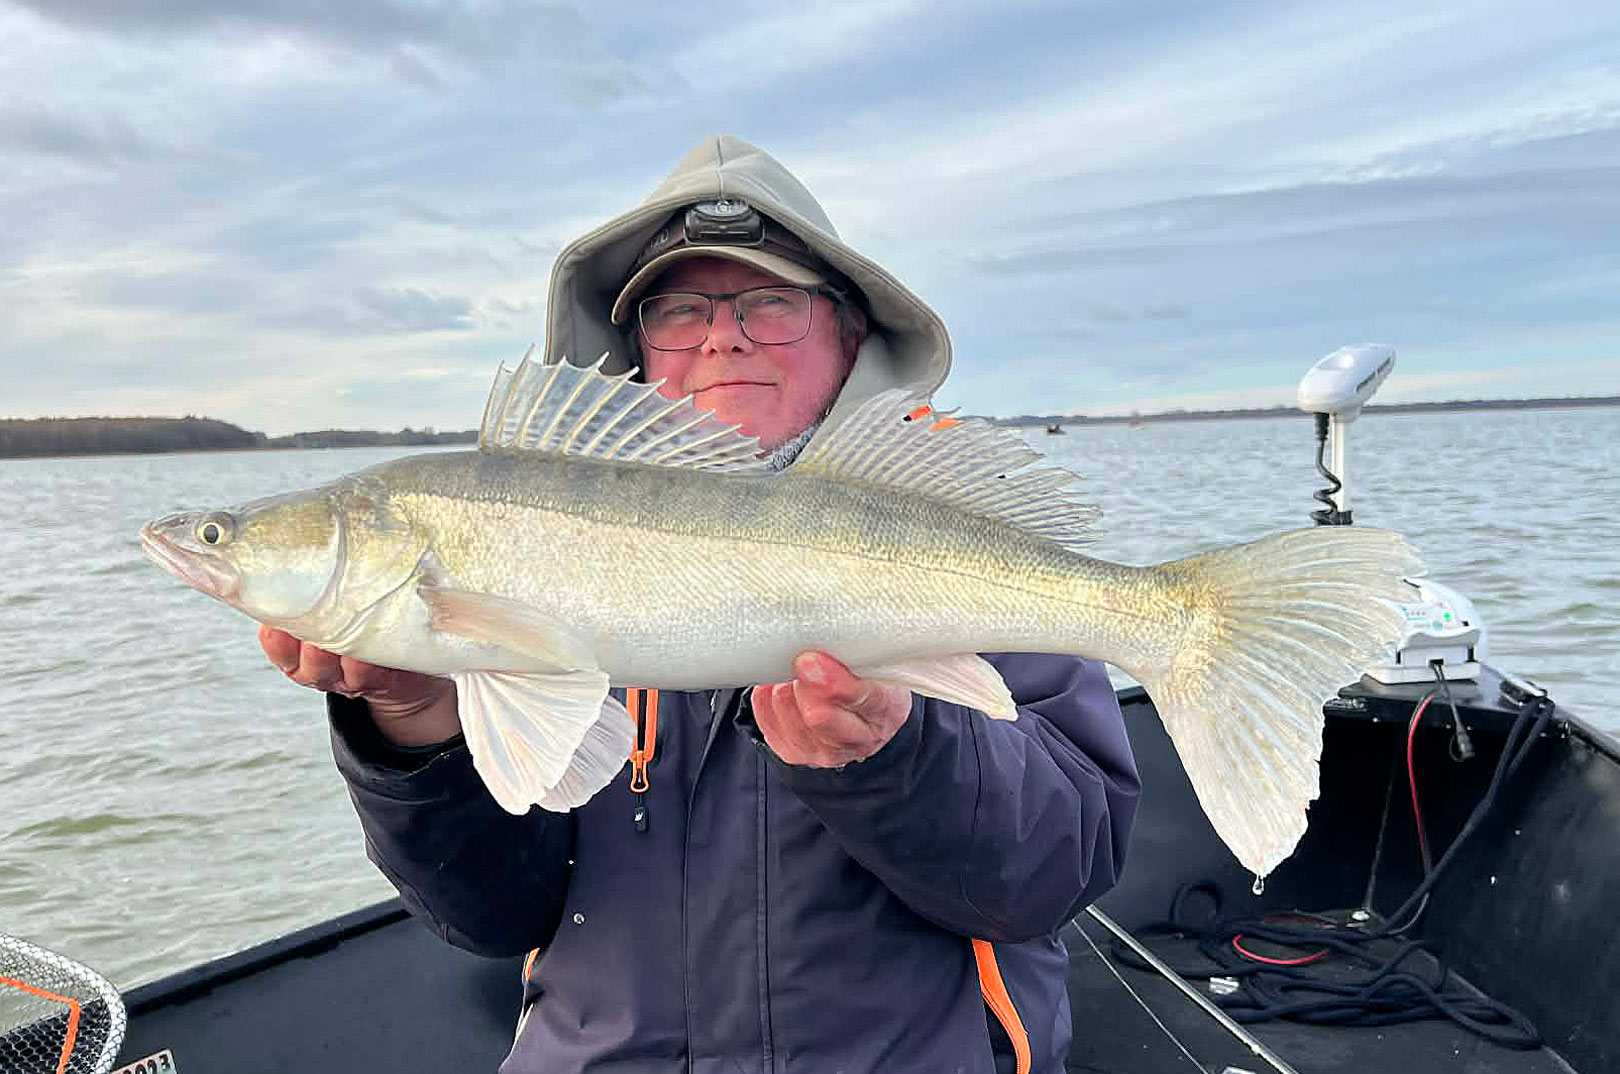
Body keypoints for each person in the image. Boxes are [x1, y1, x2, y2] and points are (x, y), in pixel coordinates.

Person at [259, 135, 1140, 1074]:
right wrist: (412, 723)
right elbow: (488, 917)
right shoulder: (505, 580)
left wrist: (895, 754)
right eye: (679, 310)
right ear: (637, 351)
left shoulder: (941, 537)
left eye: (771, 303)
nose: (723, 336)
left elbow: (1053, 873)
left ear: (851, 333)